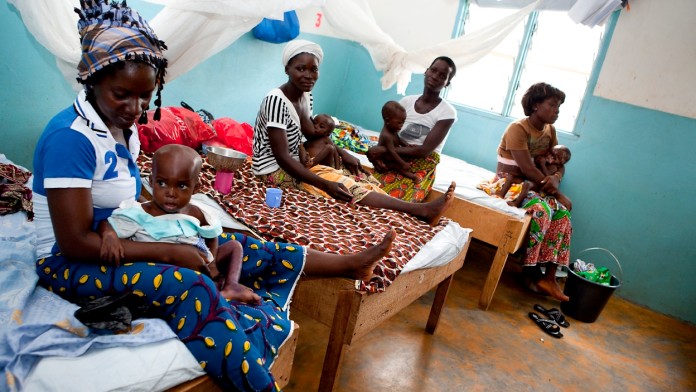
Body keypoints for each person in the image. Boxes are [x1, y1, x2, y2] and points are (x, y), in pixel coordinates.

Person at [32, 2, 396, 390]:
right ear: (92, 79)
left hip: (120, 235)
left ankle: (349, 265)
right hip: (69, 262)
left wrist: (176, 221)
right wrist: (170, 251)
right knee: (191, 285)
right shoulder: (70, 139)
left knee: (237, 242)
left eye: (144, 97)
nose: (135, 109)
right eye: (122, 94)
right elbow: (73, 243)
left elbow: (128, 200)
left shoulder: (121, 126)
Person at [252, 40, 455, 226]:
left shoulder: (306, 96)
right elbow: (282, 158)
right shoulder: (276, 100)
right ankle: (419, 210)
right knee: (341, 184)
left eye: (314, 69)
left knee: (361, 176)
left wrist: (342, 152)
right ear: (287, 69)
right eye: (300, 69)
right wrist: (325, 183)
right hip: (273, 171)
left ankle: (406, 211)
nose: (308, 75)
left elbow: (313, 134)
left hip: (297, 160)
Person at [98, 144, 261, 304]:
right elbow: (109, 223)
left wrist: (212, 265)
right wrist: (109, 234)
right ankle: (213, 295)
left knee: (234, 246)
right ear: (151, 181)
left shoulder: (196, 212)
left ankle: (231, 286)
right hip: (170, 269)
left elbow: (211, 236)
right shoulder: (138, 213)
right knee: (188, 282)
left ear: (195, 188)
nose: (171, 193)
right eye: (162, 183)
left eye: (181, 186)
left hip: (201, 259)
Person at [496, 82, 573, 302]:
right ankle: (530, 272)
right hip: (511, 184)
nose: (557, 110)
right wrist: (557, 193)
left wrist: (556, 179)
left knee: (563, 214)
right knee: (541, 211)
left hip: (536, 185)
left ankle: (550, 277)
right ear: (536, 105)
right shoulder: (518, 129)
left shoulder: (550, 130)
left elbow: (558, 163)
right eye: (552, 104)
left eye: (559, 106)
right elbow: (527, 169)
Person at [366, 56, 458, 202]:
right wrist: (378, 155)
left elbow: (424, 151)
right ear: (426, 71)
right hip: (396, 157)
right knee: (368, 191)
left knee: (398, 199)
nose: (435, 76)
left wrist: (384, 150)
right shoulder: (406, 102)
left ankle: (428, 209)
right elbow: (388, 133)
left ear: (447, 83)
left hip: (421, 162)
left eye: (442, 76)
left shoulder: (447, 112)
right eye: (433, 70)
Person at [372, 101, 419, 182]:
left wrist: (408, 145)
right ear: (387, 120)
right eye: (399, 122)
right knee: (397, 167)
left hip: (392, 156)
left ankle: (406, 166)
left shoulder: (392, 130)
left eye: (403, 122)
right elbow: (392, 152)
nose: (401, 125)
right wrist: (402, 163)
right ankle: (413, 177)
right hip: (386, 160)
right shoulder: (386, 135)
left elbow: (399, 140)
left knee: (409, 157)